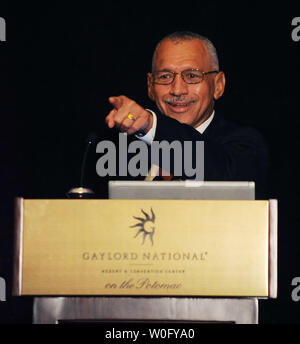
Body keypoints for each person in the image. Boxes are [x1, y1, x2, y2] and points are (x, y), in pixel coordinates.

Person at [95, 31, 269, 198]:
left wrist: (151, 126)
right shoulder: (120, 151)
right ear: (150, 86)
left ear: (218, 85)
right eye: (165, 77)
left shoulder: (244, 146)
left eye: (192, 76)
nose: (177, 90)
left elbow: (224, 176)